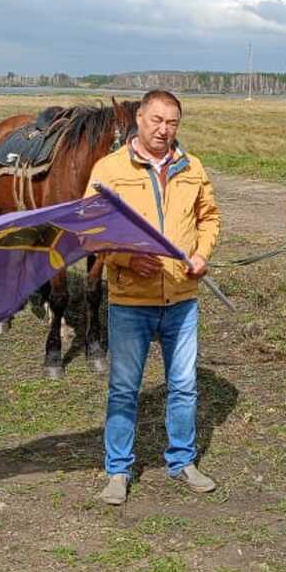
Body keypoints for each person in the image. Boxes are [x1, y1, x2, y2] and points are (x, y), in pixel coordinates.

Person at [86, 90, 222, 506]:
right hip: (131, 301)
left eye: (172, 122)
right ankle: (118, 470)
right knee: (124, 387)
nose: (164, 130)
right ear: (139, 119)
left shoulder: (192, 167)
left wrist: (202, 253)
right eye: (156, 120)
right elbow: (91, 233)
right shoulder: (108, 170)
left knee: (183, 386)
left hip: (182, 298)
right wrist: (125, 259)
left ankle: (182, 461)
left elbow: (209, 217)